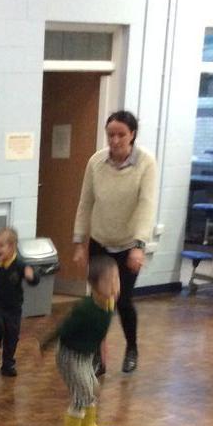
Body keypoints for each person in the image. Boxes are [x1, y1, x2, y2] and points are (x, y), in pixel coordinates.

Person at [73, 110, 157, 375]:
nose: (115, 140)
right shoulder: (96, 162)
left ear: (132, 135)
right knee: (99, 301)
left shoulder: (146, 163)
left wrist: (139, 246)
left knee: (122, 300)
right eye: (110, 135)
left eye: (121, 134)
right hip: (100, 240)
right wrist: (79, 241)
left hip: (128, 244)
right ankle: (99, 356)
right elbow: (86, 202)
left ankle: (132, 348)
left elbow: (146, 205)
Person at [40, 255, 119, 426]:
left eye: (117, 279)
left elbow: (100, 331)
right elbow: (64, 328)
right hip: (70, 356)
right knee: (82, 391)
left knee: (93, 387)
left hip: (86, 356)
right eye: (109, 281)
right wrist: (46, 344)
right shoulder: (85, 309)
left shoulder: (109, 303)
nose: (115, 285)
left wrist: (102, 350)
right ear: (94, 285)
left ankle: (88, 424)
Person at [0, 226, 38, 377]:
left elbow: (34, 280)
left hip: (13, 308)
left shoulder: (20, 265)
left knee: (12, 336)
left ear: (12, 247)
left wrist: (31, 276)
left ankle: (7, 364)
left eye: (1, 246)